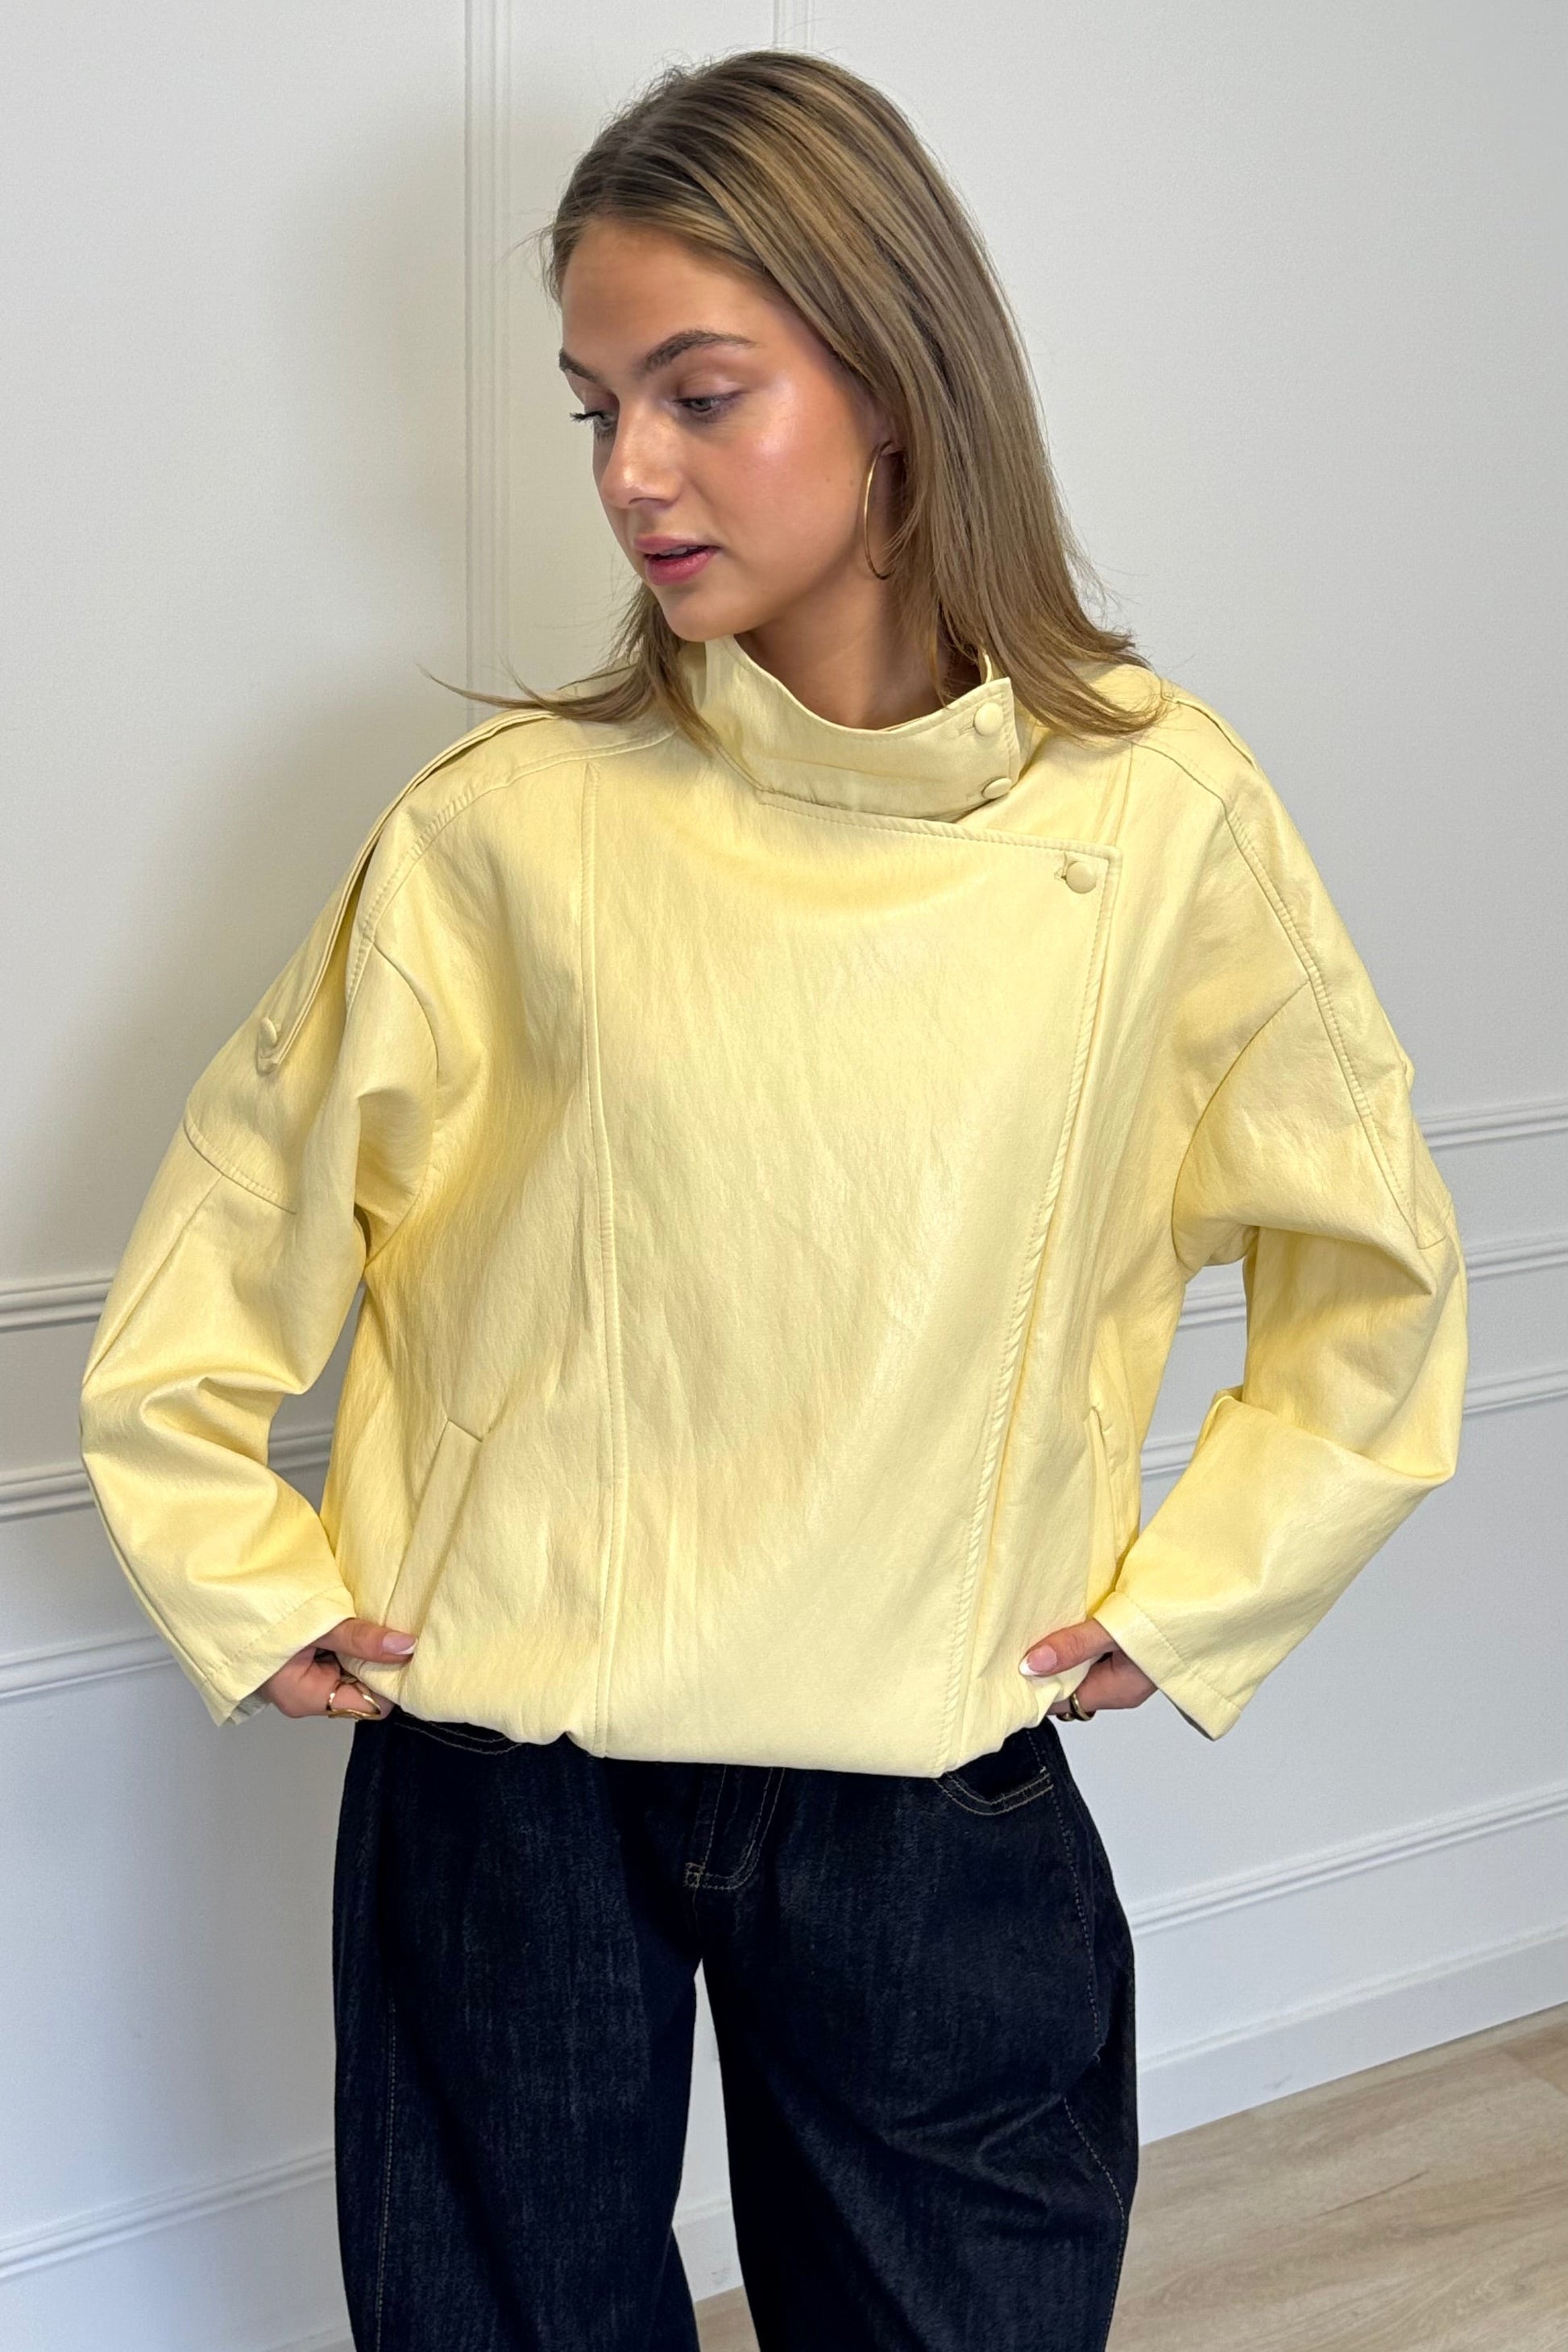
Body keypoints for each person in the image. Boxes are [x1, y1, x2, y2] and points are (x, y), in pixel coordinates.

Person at [77, 48, 1468, 2352]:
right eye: (595, 406)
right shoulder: (505, 826)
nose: (630, 470)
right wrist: (237, 1565)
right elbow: (237, 1219)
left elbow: (1371, 1271)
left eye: (700, 393)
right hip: (507, 1773)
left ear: (898, 384)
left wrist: (1210, 1593)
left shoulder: (1160, 826)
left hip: (928, 1782)